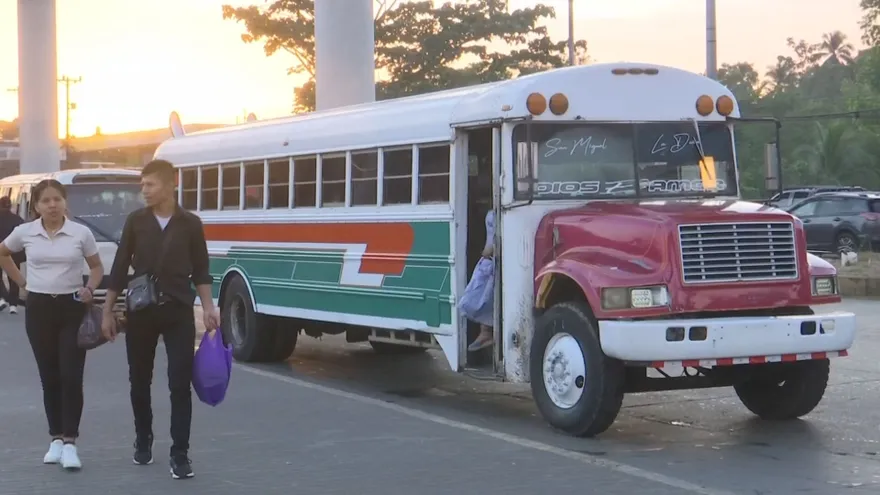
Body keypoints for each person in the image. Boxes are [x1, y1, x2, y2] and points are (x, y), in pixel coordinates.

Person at [101, 159, 220, 480]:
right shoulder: (136, 222)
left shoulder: (191, 224)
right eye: (142, 185)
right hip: (142, 312)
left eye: (150, 185)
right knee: (139, 380)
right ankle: (143, 438)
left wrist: (209, 307)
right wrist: (107, 311)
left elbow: (202, 269)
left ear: (171, 184)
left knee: (179, 383)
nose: (144, 191)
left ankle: (180, 453)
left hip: (179, 312)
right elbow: (120, 266)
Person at [0, 180, 104, 470]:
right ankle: (55, 439)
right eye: (46, 201)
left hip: (72, 308)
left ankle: (71, 442)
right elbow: (3, 253)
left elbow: (96, 267)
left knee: (71, 375)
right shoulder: (25, 232)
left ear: (65, 202)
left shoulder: (80, 233)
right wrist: (21, 284)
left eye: (57, 199)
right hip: (39, 308)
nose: (52, 205)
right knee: (50, 377)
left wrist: (90, 288)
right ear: (36, 206)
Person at [466, 209, 495, 352]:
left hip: (490, 258)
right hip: (490, 258)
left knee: (481, 293)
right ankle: (485, 331)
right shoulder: (494, 214)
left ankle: (486, 332)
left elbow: (492, 242)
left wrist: (486, 254)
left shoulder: (493, 214)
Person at [0, 195, 24, 313]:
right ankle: (13, 306)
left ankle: (1, 299)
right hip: (14, 253)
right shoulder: (17, 219)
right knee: (13, 279)